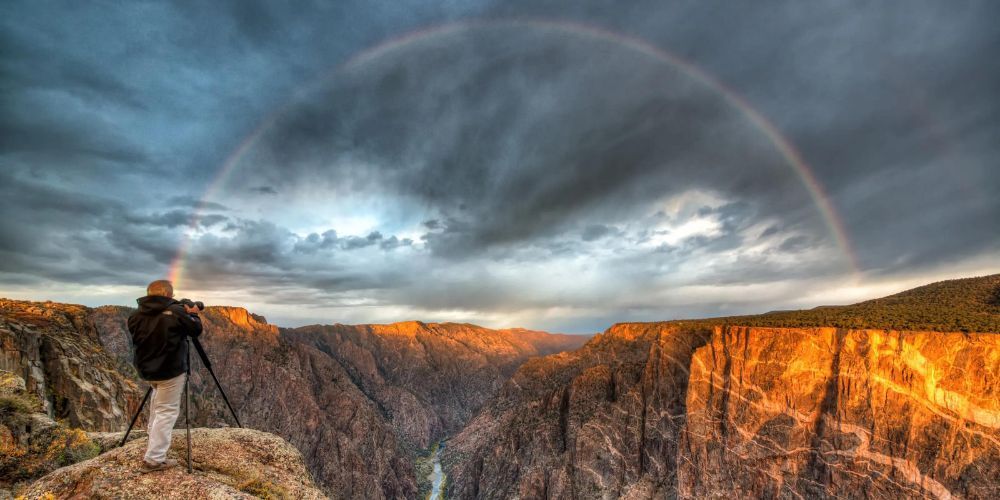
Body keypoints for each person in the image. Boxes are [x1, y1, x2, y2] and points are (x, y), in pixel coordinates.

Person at [127, 279, 202, 472]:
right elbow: (195, 330)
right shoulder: (176, 312)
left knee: (157, 403)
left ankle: (152, 438)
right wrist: (193, 314)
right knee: (167, 411)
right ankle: (154, 459)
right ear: (168, 294)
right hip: (170, 370)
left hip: (147, 370)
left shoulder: (135, 315)